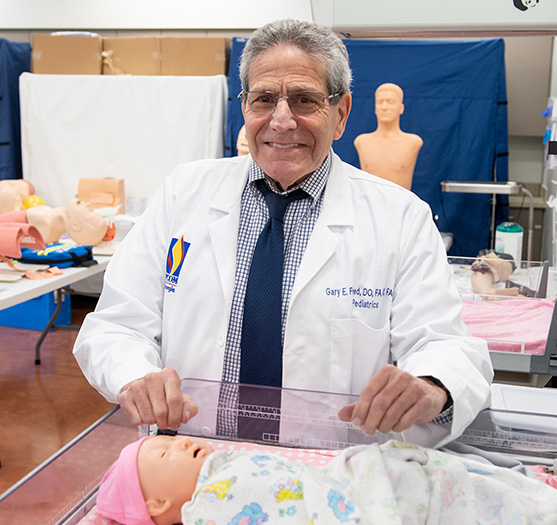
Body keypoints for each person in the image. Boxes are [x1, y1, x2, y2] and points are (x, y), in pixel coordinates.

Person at [73, 19, 493, 448]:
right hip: (193, 462)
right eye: (264, 99)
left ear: (341, 113)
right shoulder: (184, 193)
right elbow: (117, 325)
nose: (281, 120)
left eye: (305, 100)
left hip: (329, 478)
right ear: (245, 107)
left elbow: (444, 343)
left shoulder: (399, 217)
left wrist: (429, 385)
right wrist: (136, 376)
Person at [96, 434, 557, 525]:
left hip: (342, 488)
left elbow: (308, 476)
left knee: (403, 472)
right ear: (158, 502)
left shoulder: (229, 461)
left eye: (170, 440)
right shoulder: (201, 517)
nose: (178, 443)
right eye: (161, 453)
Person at [353, 83, 423, 190]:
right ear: (375, 108)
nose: (384, 107)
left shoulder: (413, 143)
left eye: (390, 102)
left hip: (401, 204)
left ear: (401, 108)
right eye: (380, 102)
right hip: (369, 204)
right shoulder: (362, 142)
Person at [0, 198, 109, 245]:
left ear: (75, 225)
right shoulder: (52, 232)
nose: (88, 205)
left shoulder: (43, 219)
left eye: (89, 212)